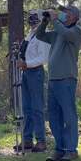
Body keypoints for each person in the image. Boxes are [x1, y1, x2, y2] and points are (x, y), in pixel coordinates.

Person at [36, 5, 81, 161]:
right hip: (53, 80)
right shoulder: (57, 33)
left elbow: (66, 33)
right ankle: (59, 148)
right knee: (54, 116)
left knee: (69, 115)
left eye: (67, 12)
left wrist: (55, 19)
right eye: (63, 12)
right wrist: (44, 20)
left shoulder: (76, 31)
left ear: (74, 17)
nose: (64, 14)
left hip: (66, 79)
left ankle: (71, 149)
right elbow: (40, 35)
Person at [13, 10, 51, 153]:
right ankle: (27, 139)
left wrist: (26, 64)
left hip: (35, 72)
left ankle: (41, 140)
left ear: (41, 20)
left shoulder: (43, 35)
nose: (32, 21)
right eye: (30, 18)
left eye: (35, 18)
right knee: (27, 107)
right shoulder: (30, 35)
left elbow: (43, 58)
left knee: (36, 107)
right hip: (26, 72)